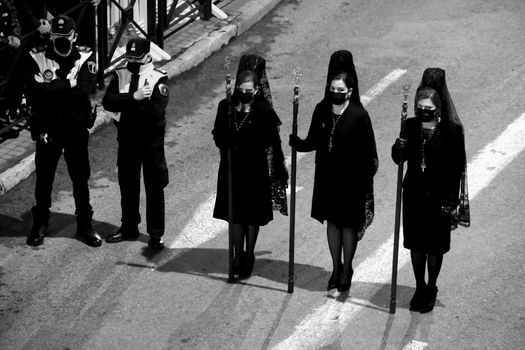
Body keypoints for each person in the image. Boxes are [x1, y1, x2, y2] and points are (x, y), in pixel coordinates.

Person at [289, 50, 378, 294]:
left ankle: (347, 268)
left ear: (349, 91)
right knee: (332, 224)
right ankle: (335, 267)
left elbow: (369, 157)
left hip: (351, 182)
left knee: (347, 226)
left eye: (341, 90)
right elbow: (314, 140)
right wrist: (298, 143)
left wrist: (360, 182)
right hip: (327, 178)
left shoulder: (360, 116)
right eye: (332, 88)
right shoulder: (322, 109)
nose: (335, 93)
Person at [392, 67, 469, 313]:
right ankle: (419, 286)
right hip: (414, 195)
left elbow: (456, 167)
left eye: (428, 109)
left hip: (439, 199)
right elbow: (399, 159)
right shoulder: (411, 125)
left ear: (438, 109)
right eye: (419, 108)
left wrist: (451, 199)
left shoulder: (452, 131)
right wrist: (398, 147)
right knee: (416, 245)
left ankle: (432, 286)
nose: (423, 112)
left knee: (434, 246)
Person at [24, 14, 101, 247]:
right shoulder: (37, 57)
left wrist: (52, 89)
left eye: (65, 36)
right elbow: (34, 93)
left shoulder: (86, 55)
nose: (60, 40)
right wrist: (69, 84)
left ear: (74, 36)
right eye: (56, 36)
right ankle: (40, 224)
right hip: (48, 128)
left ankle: (85, 226)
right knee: (44, 179)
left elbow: (85, 90)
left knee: (80, 178)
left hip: (76, 127)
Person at [212, 54, 288, 279]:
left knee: (251, 216)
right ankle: (237, 255)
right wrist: (226, 140)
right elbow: (217, 134)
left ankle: (249, 254)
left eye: (249, 90)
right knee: (235, 215)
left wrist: (242, 141)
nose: (244, 93)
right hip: (232, 168)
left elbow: (269, 139)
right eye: (241, 89)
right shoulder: (225, 106)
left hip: (254, 170)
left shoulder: (263, 111)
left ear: (256, 90)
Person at [102, 37, 169, 251]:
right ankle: (129, 227)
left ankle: (156, 234)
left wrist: (124, 110)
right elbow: (107, 102)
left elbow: (153, 114)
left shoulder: (158, 78)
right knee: (128, 186)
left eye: (137, 57)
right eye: (130, 57)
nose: (133, 61)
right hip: (127, 140)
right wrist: (135, 97)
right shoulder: (121, 75)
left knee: (154, 187)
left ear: (148, 56)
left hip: (150, 142)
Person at [0, 0, 22, 124]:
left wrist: (16, 35)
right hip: (4, 45)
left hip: (7, 53)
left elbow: (14, 18)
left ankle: (7, 118)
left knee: (10, 86)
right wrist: (5, 41)